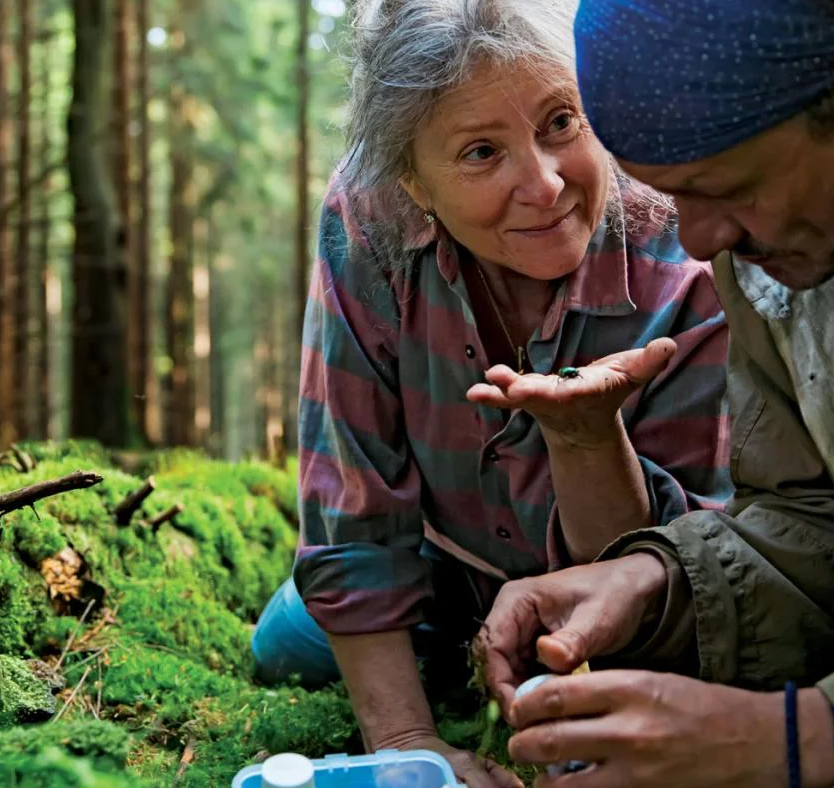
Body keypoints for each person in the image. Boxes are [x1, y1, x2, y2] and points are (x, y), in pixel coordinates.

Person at [476, 0, 834, 785]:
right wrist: (660, 582)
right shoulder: (795, 238)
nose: (697, 242)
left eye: (724, 186)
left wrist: (808, 739)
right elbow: (819, 524)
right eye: (671, 196)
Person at [249, 0, 733, 784]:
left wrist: (584, 441)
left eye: (561, 123)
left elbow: (685, 565)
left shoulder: (684, 242)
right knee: (284, 649)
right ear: (413, 179)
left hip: (618, 598)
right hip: (439, 564)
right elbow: (351, 502)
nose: (542, 185)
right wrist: (407, 745)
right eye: (481, 152)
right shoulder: (367, 216)